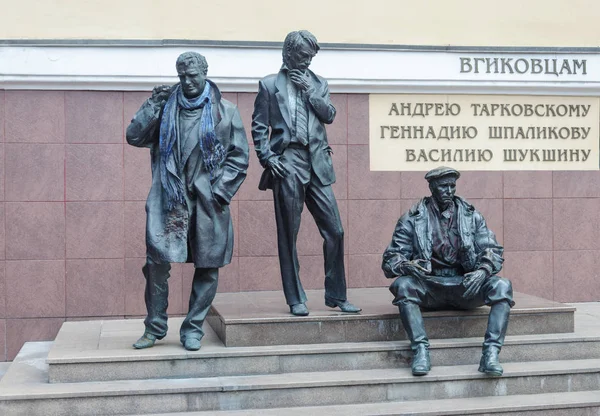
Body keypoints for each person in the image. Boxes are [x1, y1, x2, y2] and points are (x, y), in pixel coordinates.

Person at [126, 52, 249, 351]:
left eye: (193, 75)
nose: (187, 81)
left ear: (205, 73)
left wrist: (220, 192)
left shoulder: (226, 111)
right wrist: (153, 103)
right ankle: (154, 326)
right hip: (169, 197)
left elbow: (239, 158)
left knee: (207, 267)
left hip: (208, 201)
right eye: (182, 75)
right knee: (156, 263)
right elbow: (133, 136)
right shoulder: (165, 107)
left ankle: (193, 328)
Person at [251, 30, 360, 316]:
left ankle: (336, 295)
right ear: (288, 54)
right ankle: (295, 297)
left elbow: (330, 115)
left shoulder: (319, 83)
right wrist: (267, 157)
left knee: (335, 230)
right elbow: (260, 127)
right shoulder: (270, 85)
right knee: (289, 233)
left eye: (310, 58)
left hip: (318, 163)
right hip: (288, 161)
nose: (307, 63)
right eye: (302, 57)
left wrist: (310, 92)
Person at [382, 166, 514, 376]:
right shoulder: (413, 217)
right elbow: (391, 258)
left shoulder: (471, 216)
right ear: (432, 187)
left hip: (465, 286)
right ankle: (421, 350)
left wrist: (483, 270)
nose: (449, 191)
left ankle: (490, 354)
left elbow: (492, 250)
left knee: (502, 285)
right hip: (430, 287)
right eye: (444, 186)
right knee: (403, 285)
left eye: (452, 186)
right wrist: (406, 265)